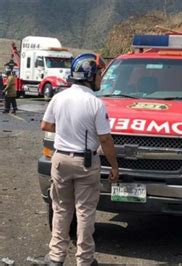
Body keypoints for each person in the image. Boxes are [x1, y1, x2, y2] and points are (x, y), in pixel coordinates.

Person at [39, 53, 119, 266]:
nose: (101, 78)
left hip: (60, 160)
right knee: (84, 211)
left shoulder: (59, 97)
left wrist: (66, 129)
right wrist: (114, 166)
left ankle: (56, 257)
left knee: (61, 208)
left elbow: (45, 126)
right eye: (100, 74)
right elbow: (105, 139)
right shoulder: (95, 103)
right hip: (85, 162)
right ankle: (84, 260)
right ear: (90, 75)